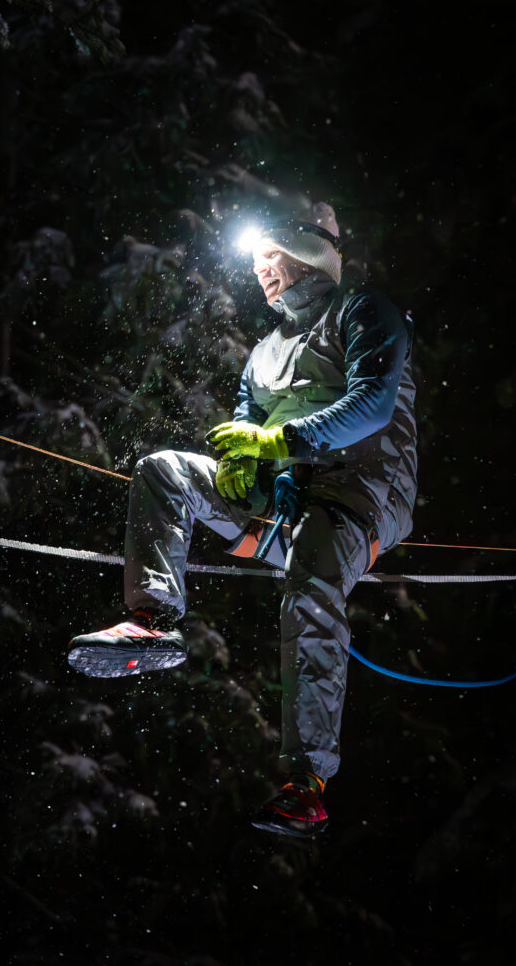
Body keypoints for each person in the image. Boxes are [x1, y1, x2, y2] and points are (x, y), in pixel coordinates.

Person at [68, 202, 418, 837]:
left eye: (270, 257)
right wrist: (240, 462)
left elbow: (371, 405)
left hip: (363, 494)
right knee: (164, 468)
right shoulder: (264, 352)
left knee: (310, 580)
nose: (260, 271)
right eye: (255, 261)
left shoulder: (365, 313)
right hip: (284, 507)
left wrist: (278, 442)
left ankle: (305, 781)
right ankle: (151, 622)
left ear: (306, 252)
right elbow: (246, 428)